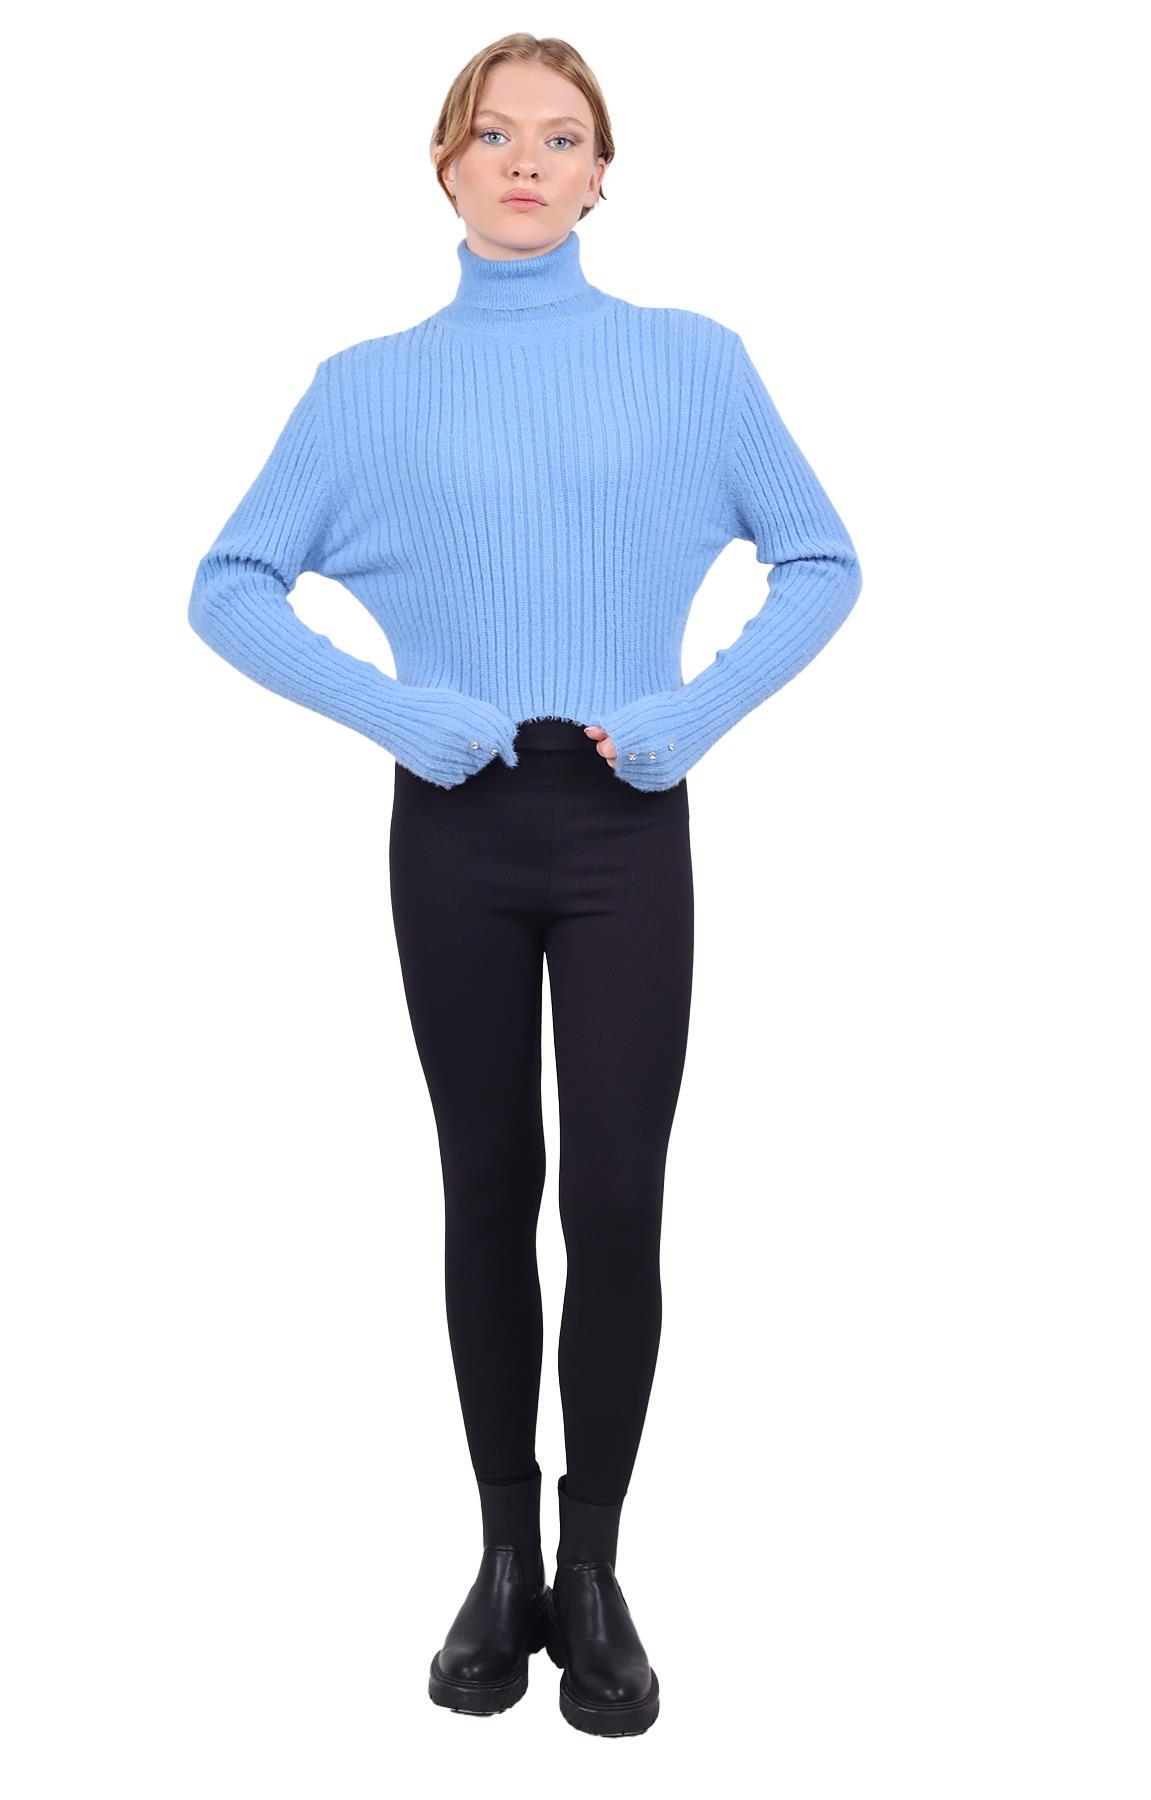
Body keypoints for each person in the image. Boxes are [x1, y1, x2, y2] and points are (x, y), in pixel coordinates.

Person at [188, 33, 862, 1738]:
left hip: (630, 818)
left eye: (563, 139)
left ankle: (596, 1566)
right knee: (488, 1189)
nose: (526, 163)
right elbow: (232, 582)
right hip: (457, 823)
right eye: (494, 135)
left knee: (617, 1201)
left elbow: (821, 556)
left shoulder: (692, 362)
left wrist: (690, 711)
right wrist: (403, 713)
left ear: (602, 175)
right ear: (445, 163)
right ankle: (500, 1561)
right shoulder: (365, 388)